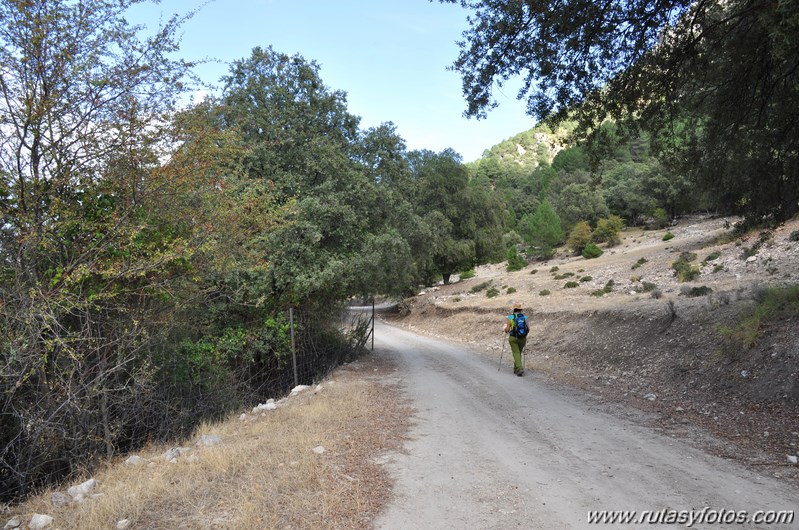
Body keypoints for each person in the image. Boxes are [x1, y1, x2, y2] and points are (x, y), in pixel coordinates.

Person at [504, 305, 527, 376]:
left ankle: (519, 368)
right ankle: (516, 368)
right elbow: (529, 328)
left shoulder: (510, 317)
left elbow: (507, 329)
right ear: (520, 310)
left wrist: (505, 330)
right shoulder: (524, 317)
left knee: (516, 353)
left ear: (514, 310)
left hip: (513, 338)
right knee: (518, 352)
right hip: (522, 338)